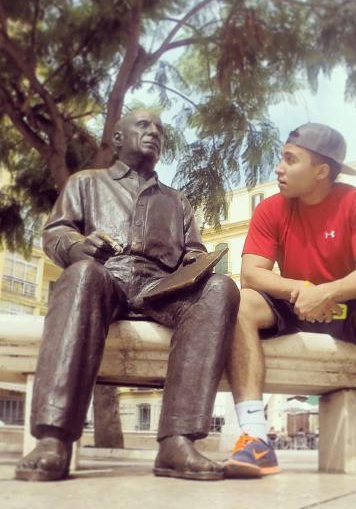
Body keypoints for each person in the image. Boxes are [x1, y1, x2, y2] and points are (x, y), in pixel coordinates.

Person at [15, 109, 239, 482]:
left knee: (221, 288)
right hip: (105, 278)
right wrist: (80, 247)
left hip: (161, 288)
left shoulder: (177, 200)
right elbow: (56, 234)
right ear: (118, 139)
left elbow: (193, 250)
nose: (154, 132)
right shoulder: (86, 183)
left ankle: (177, 442)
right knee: (82, 274)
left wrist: (197, 261)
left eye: (160, 130)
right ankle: (53, 438)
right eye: (144, 126)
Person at [224, 122, 356, 482]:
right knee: (240, 301)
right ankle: (255, 439)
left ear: (321, 171)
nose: (279, 168)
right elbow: (252, 273)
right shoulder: (271, 209)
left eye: (291, 160)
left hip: (347, 305)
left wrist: (329, 292)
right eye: (282, 158)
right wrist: (303, 289)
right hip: (292, 304)